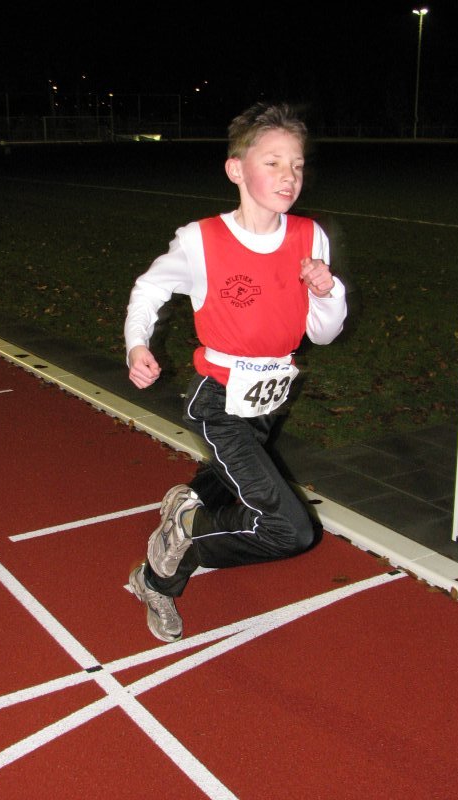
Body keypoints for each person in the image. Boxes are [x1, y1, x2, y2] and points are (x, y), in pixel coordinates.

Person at [124, 102, 347, 642]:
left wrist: (326, 291)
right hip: (218, 401)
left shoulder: (309, 236)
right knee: (290, 531)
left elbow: (323, 333)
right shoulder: (201, 240)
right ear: (236, 170)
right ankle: (164, 568)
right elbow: (150, 288)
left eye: (295, 165)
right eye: (272, 163)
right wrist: (137, 344)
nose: (288, 176)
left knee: (229, 490)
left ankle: (192, 502)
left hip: (270, 400)